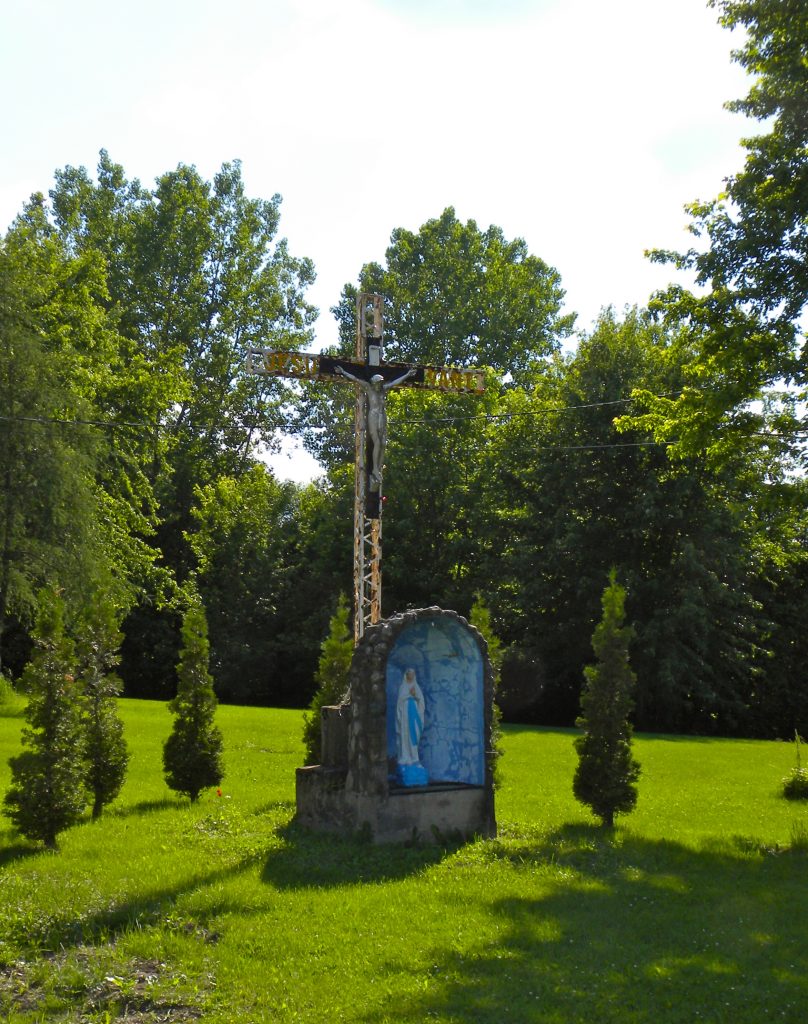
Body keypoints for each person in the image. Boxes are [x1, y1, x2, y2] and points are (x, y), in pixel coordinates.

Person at [334, 365, 416, 488]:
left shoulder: (383, 389)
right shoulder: (369, 388)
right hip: (373, 416)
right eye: (378, 383)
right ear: (373, 383)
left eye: (380, 383)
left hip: (382, 416)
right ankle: (375, 470)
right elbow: (355, 379)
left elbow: (395, 382)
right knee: (377, 442)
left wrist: (407, 375)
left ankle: (378, 467)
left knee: (383, 442)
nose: (379, 385)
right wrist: (343, 371)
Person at [395, 667, 428, 787]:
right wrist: (409, 695)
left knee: (414, 736)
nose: (411, 676)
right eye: (409, 674)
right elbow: (400, 701)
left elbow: (421, 701)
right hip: (405, 716)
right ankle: (405, 757)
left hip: (414, 715)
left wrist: (415, 696)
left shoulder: (416, 686)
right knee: (405, 736)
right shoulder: (403, 687)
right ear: (406, 675)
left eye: (413, 674)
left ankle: (414, 758)